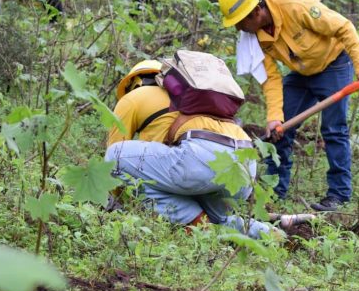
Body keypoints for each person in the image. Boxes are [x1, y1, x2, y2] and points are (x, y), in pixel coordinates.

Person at [217, 0, 359, 211]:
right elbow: (271, 78)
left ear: (256, 11)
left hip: (334, 64)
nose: (238, 29)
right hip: (301, 72)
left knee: (333, 129)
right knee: (280, 130)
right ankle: (273, 192)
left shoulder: (296, 6)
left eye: (240, 22)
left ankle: (339, 195)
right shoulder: (255, 36)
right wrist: (274, 117)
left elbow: (344, 27)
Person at [105, 57, 277, 239]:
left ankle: (192, 220)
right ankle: (272, 235)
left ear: (134, 82)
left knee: (114, 155)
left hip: (202, 159)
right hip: (245, 164)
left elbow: (114, 162)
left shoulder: (134, 97)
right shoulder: (191, 100)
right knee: (219, 220)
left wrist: (116, 202)